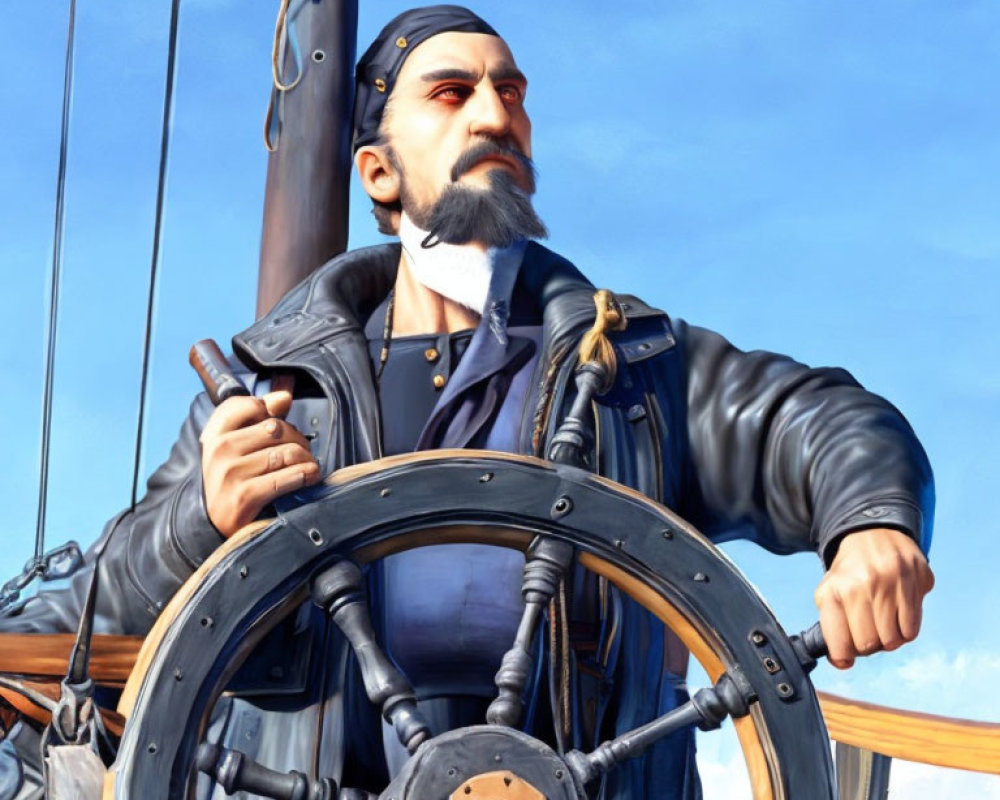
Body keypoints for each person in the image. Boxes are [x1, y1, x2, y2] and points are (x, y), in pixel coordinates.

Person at [0, 6, 934, 798]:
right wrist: (202, 520)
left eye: (512, 92)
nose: (498, 113)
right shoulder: (276, 397)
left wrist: (872, 528)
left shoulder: (632, 374)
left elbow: (819, 423)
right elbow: (94, 616)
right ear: (376, 170)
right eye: (453, 94)